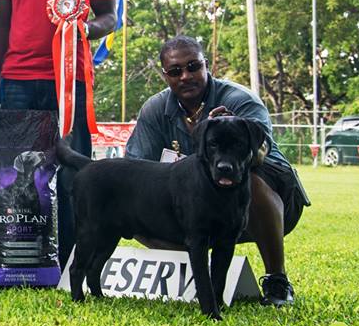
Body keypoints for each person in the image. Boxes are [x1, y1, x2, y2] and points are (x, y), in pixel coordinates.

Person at [0, 0, 117, 266]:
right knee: (21, 170)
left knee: (75, 173)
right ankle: (22, 256)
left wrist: (83, 29)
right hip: (17, 83)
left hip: (69, 82)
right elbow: (0, 24)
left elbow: (109, 16)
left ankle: (75, 260)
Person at [125, 35, 309, 307]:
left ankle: (276, 280)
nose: (186, 76)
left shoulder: (239, 99)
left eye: (193, 66)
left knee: (250, 182)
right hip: (196, 204)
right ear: (166, 76)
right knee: (135, 204)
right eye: (176, 71)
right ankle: (192, 275)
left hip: (265, 199)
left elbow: (261, 152)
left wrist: (228, 130)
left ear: (206, 65)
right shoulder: (155, 110)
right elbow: (136, 168)